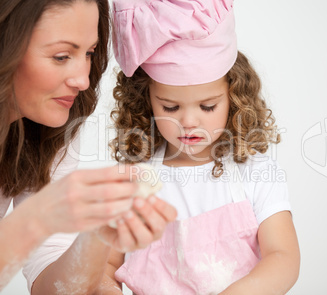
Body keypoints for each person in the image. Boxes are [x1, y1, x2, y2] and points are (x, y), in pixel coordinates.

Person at [101, 0, 300, 294]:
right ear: (146, 100)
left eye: (207, 106)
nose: (188, 121)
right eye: (170, 107)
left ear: (233, 97)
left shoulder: (256, 173)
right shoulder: (133, 180)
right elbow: (105, 266)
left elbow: (284, 258)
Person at [0, 0, 177, 292]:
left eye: (89, 53)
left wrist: (100, 235)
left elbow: (52, 284)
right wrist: (38, 216)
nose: (83, 80)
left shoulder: (50, 126)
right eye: (61, 56)